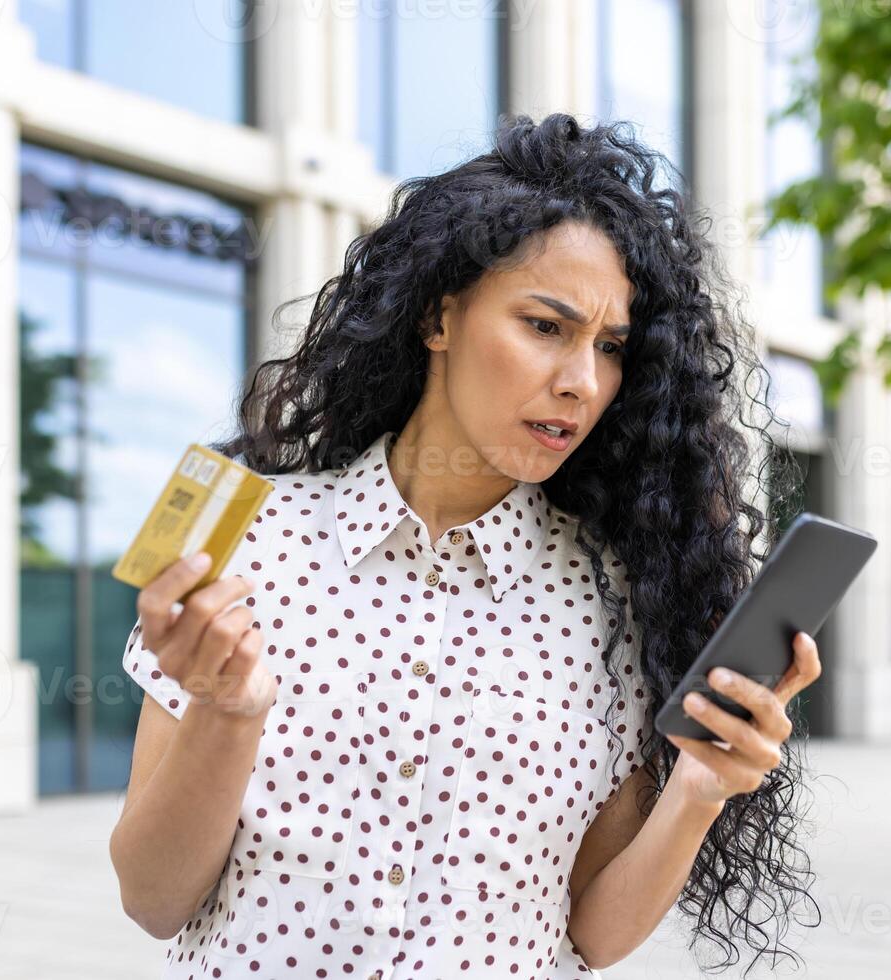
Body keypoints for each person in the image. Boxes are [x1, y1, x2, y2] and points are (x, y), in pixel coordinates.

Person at [109, 112, 825, 979]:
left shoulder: (618, 604)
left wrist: (699, 791)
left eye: (611, 349)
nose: (580, 382)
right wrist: (227, 713)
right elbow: (154, 900)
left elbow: (592, 934)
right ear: (440, 317)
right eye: (545, 326)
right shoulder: (249, 541)